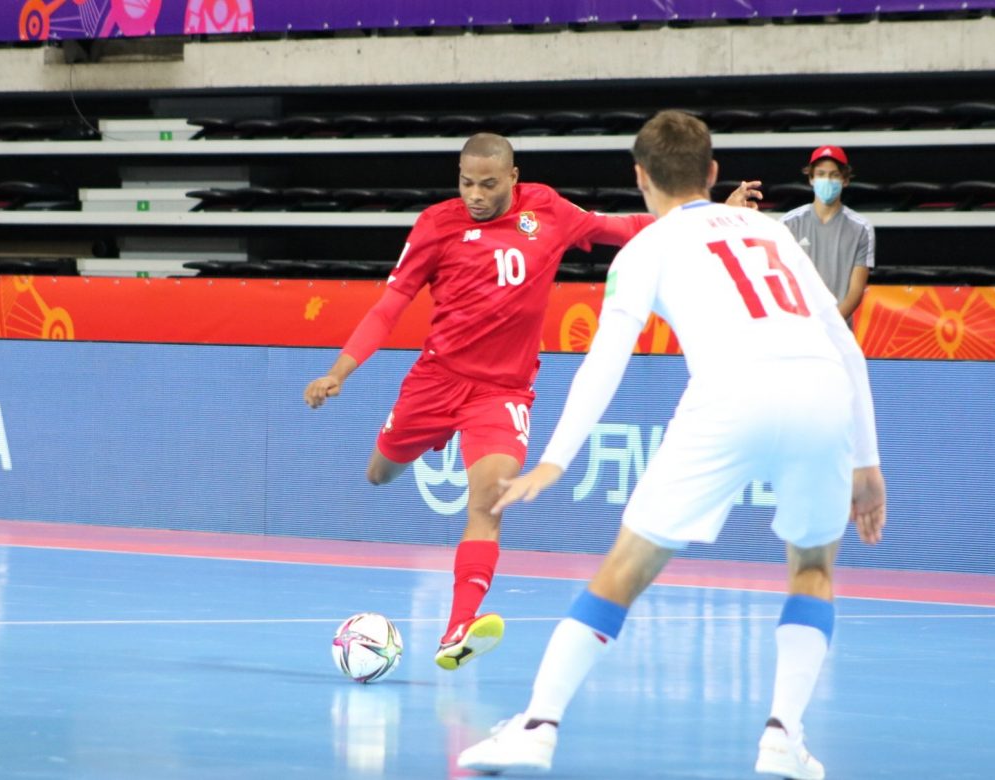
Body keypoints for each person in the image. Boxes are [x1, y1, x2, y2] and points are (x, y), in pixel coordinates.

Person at [456, 112, 886, 779]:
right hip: (822, 394)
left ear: (639, 177)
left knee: (624, 569)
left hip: (731, 394)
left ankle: (537, 727)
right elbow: (843, 341)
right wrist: (869, 461)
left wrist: (556, 458)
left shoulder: (644, 249)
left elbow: (607, 358)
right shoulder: (772, 230)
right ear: (713, 174)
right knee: (813, 568)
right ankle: (782, 736)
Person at [304, 132, 763, 671]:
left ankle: (458, 630)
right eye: (466, 182)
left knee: (488, 503)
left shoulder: (546, 209)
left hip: (500, 393)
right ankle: (432, 438)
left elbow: (624, 228)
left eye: (488, 184)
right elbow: (389, 306)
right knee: (379, 474)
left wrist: (706, 216)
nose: (475, 194)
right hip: (435, 381)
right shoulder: (436, 224)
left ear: (513, 178)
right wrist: (340, 371)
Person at [780, 145, 875, 322]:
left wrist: (831, 325)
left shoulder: (862, 228)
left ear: (845, 180)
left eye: (834, 175)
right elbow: (782, 280)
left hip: (839, 332)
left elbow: (855, 292)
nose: (827, 180)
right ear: (811, 179)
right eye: (821, 174)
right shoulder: (788, 223)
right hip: (799, 328)